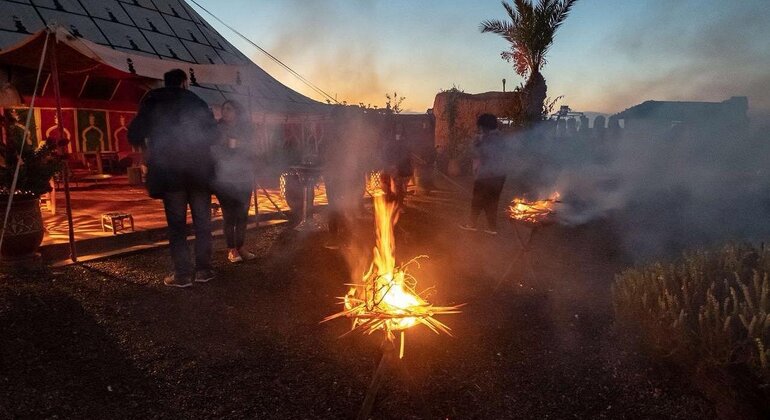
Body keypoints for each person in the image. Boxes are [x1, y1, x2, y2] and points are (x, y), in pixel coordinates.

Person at [128, 69, 218, 288]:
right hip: (198, 172)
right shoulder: (196, 101)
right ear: (185, 83)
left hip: (171, 173)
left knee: (177, 225)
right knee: (203, 223)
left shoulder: (153, 100)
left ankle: (182, 275)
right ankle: (204, 270)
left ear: (164, 82)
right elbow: (214, 135)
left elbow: (134, 134)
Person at [212, 100, 258, 263]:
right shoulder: (217, 129)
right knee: (229, 215)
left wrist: (239, 145)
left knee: (242, 215)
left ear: (237, 112)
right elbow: (213, 151)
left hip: (243, 177)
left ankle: (241, 246)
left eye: (229, 109)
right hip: (225, 178)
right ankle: (231, 249)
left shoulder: (245, 129)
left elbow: (253, 148)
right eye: (224, 109)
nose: (225, 112)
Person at [459, 113, 507, 235]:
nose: (479, 129)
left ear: (484, 127)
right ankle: (492, 228)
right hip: (500, 175)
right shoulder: (500, 137)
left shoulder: (486, 139)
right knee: (492, 201)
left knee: (477, 200)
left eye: (480, 127)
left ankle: (471, 224)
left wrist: (476, 144)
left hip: (486, 175)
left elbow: (478, 154)